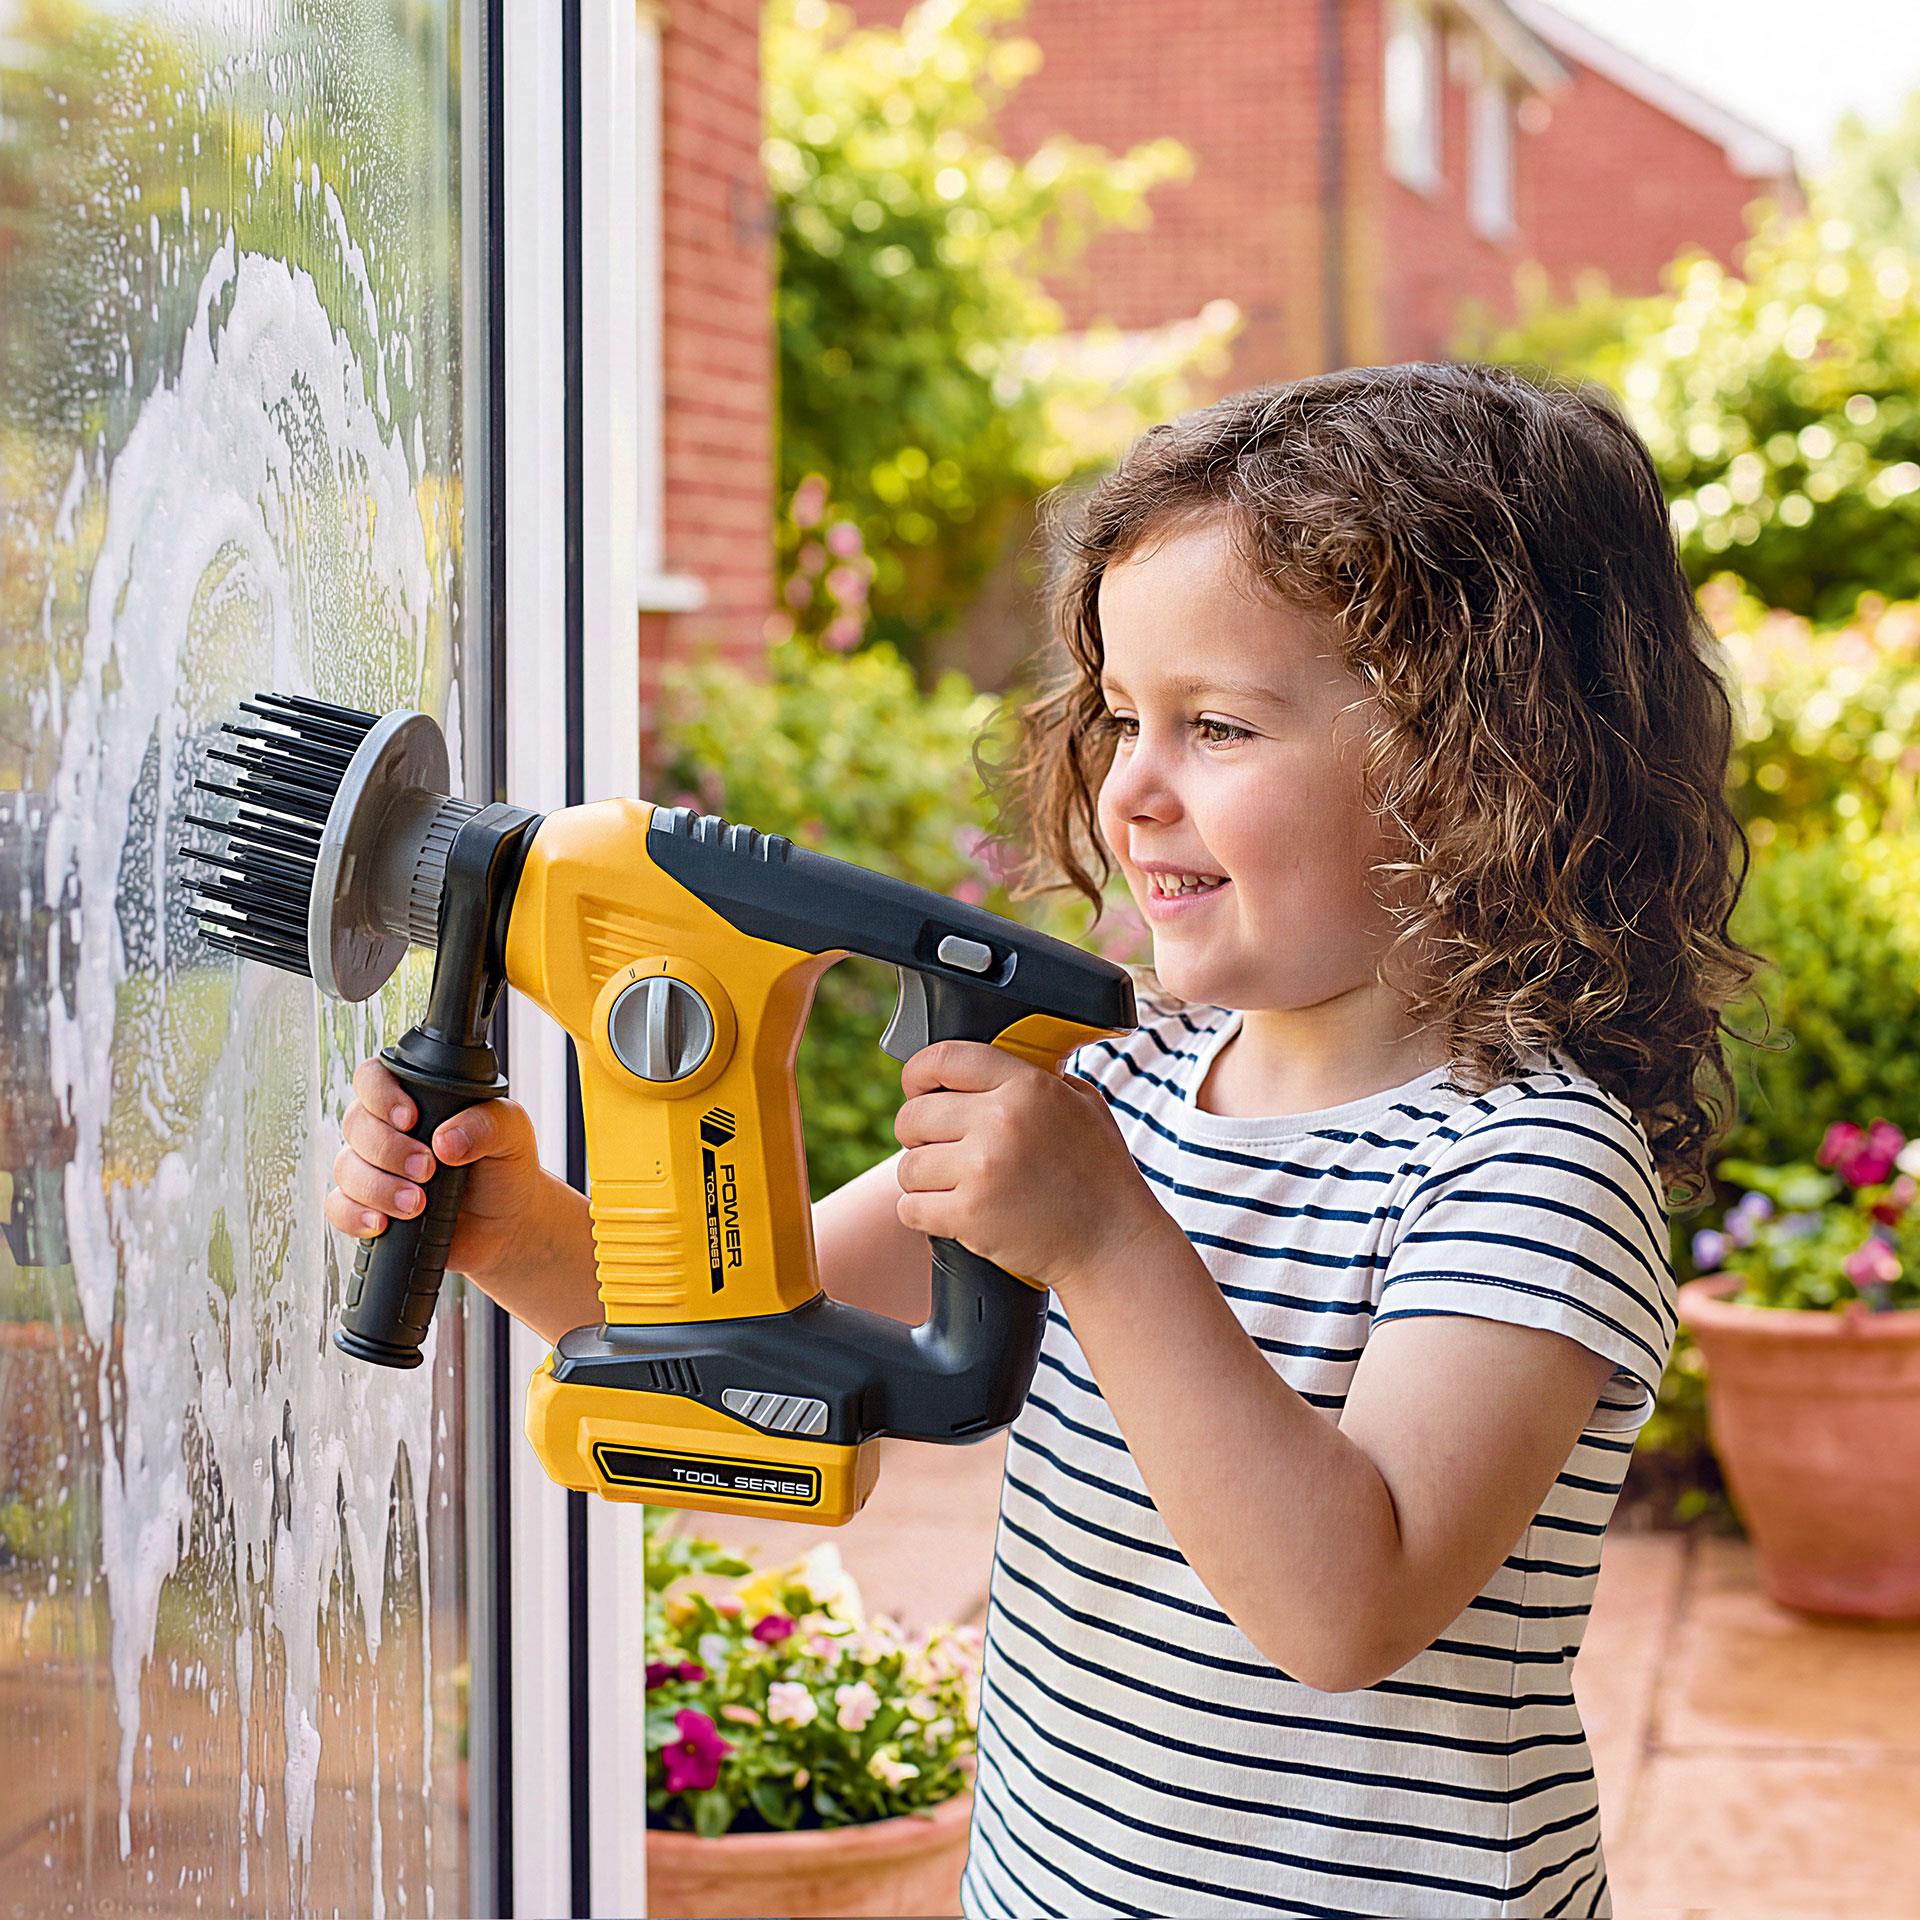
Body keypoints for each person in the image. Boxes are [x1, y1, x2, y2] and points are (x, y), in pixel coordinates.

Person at [326, 362, 1764, 1919]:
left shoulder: (1528, 1166)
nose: (1130, 786)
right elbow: (746, 1343)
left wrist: (1103, 1240)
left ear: (1478, 770)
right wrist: (509, 1223)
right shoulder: (1123, 1078)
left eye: (1215, 726)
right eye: (1123, 716)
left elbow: (1347, 1606)